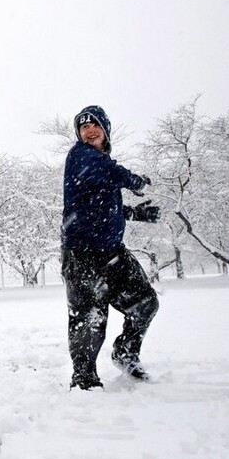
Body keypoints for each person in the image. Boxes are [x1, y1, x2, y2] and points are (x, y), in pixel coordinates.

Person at [61, 105, 161, 391]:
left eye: (95, 125)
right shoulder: (80, 155)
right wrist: (133, 181)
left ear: (105, 130)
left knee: (145, 302)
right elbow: (107, 170)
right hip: (81, 254)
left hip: (113, 252)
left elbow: (101, 206)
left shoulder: (100, 167)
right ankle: (85, 381)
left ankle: (126, 352)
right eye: (83, 126)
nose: (89, 130)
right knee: (89, 319)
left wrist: (133, 213)